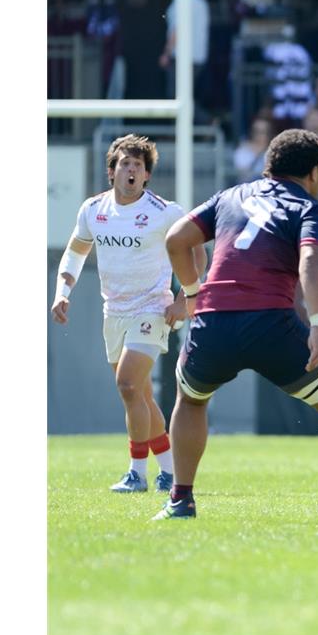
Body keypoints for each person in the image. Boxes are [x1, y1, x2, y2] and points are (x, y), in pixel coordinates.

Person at [158, 129, 318, 520]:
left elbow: (176, 239)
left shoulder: (231, 196)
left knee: (190, 400)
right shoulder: (309, 208)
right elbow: (311, 261)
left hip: (213, 321)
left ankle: (180, 499)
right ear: (314, 173)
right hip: (270, 322)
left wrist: (192, 293)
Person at [50, 135, 206, 494]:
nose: (131, 170)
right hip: (114, 311)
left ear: (147, 175)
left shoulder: (165, 211)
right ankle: (168, 471)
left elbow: (197, 252)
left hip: (152, 307)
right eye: (125, 164)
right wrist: (62, 293)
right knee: (139, 396)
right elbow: (75, 252)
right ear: (111, 171)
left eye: (139, 166)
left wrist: (187, 298)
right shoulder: (93, 210)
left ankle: (137, 473)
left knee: (128, 384)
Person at [158, 0, 208, 107]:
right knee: (185, 96)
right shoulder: (201, 2)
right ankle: (207, 123)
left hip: (182, 59)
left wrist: (166, 54)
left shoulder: (180, 2)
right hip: (199, 58)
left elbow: (177, 29)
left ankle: (209, 122)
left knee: (177, 98)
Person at [232, 118, 272, 183]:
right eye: (261, 132)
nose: (265, 135)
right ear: (253, 133)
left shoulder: (275, 152)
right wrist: (257, 154)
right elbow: (243, 176)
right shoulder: (243, 151)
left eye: (267, 132)